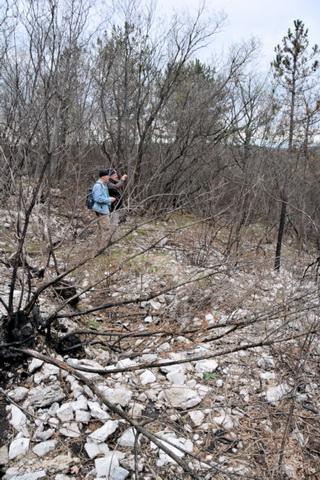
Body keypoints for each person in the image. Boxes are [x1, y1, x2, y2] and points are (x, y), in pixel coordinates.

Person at [92, 170, 116, 249]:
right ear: (103, 176)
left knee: (101, 229)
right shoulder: (98, 186)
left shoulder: (103, 185)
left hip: (103, 210)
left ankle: (99, 248)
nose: (109, 177)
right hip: (102, 211)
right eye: (107, 176)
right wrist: (109, 200)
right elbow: (97, 198)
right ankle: (103, 249)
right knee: (106, 229)